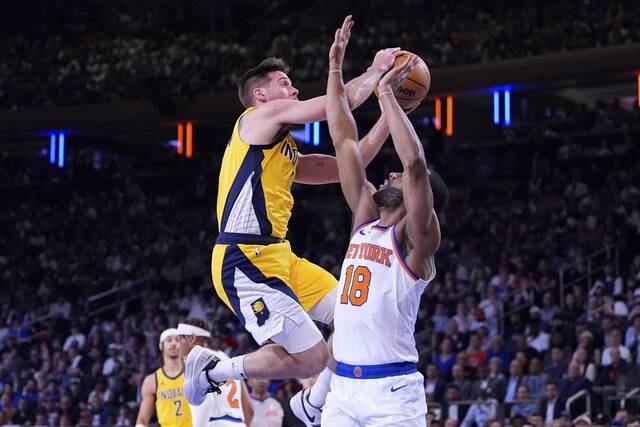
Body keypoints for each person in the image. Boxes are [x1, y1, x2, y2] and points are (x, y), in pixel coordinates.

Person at [183, 16, 399, 425]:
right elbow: (340, 103)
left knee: (357, 312)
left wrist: (391, 112)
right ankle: (215, 370)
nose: (293, 89)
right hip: (242, 256)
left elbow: (351, 162)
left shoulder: (282, 152)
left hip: (280, 256)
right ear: (261, 95)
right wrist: (375, 71)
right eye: (285, 83)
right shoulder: (256, 119)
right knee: (312, 356)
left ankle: (312, 402)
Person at [321, 30, 447, 425]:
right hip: (343, 390)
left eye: (397, 178)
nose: (389, 173)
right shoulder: (364, 218)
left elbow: (413, 164)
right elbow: (345, 143)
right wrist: (336, 70)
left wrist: (388, 95)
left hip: (392, 394)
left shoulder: (417, 239)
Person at [177, 319, 253, 426]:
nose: (177, 345)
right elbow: (249, 408)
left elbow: (205, 404)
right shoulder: (227, 359)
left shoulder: (195, 362)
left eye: (179, 339)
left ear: (192, 338)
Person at [135, 328, 192, 427]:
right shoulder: (151, 381)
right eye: (169, 340)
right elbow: (143, 418)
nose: (174, 343)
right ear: (161, 345)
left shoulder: (193, 373)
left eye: (178, 340)